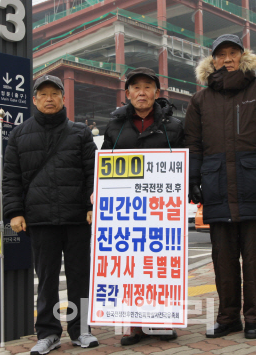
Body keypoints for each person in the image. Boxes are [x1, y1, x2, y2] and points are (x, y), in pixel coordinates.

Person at [185, 34, 256, 339]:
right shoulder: (200, 100)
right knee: (223, 260)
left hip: (255, 185)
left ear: (243, 57)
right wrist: (193, 179)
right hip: (217, 188)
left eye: (233, 53)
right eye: (222, 54)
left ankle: (255, 318)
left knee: (255, 258)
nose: (228, 59)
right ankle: (228, 317)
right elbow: (193, 144)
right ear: (213, 61)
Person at [3, 75, 99, 354]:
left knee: (80, 276)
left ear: (62, 98)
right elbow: (11, 178)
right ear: (34, 100)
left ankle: (81, 330)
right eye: (43, 94)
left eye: (54, 93)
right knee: (45, 279)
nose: (49, 98)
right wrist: (15, 212)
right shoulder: (19, 134)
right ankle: (48, 333)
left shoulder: (80, 133)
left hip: (77, 218)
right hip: (40, 219)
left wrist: (94, 206)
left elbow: (93, 174)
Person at [101, 67, 185, 345]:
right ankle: (133, 324)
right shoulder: (115, 125)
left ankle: (161, 321)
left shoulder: (174, 125)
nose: (141, 92)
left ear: (157, 93)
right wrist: (97, 192)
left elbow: (186, 162)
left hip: (161, 208)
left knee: (158, 264)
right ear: (127, 94)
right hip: (126, 210)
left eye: (148, 87)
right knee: (129, 264)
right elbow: (103, 165)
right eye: (135, 87)